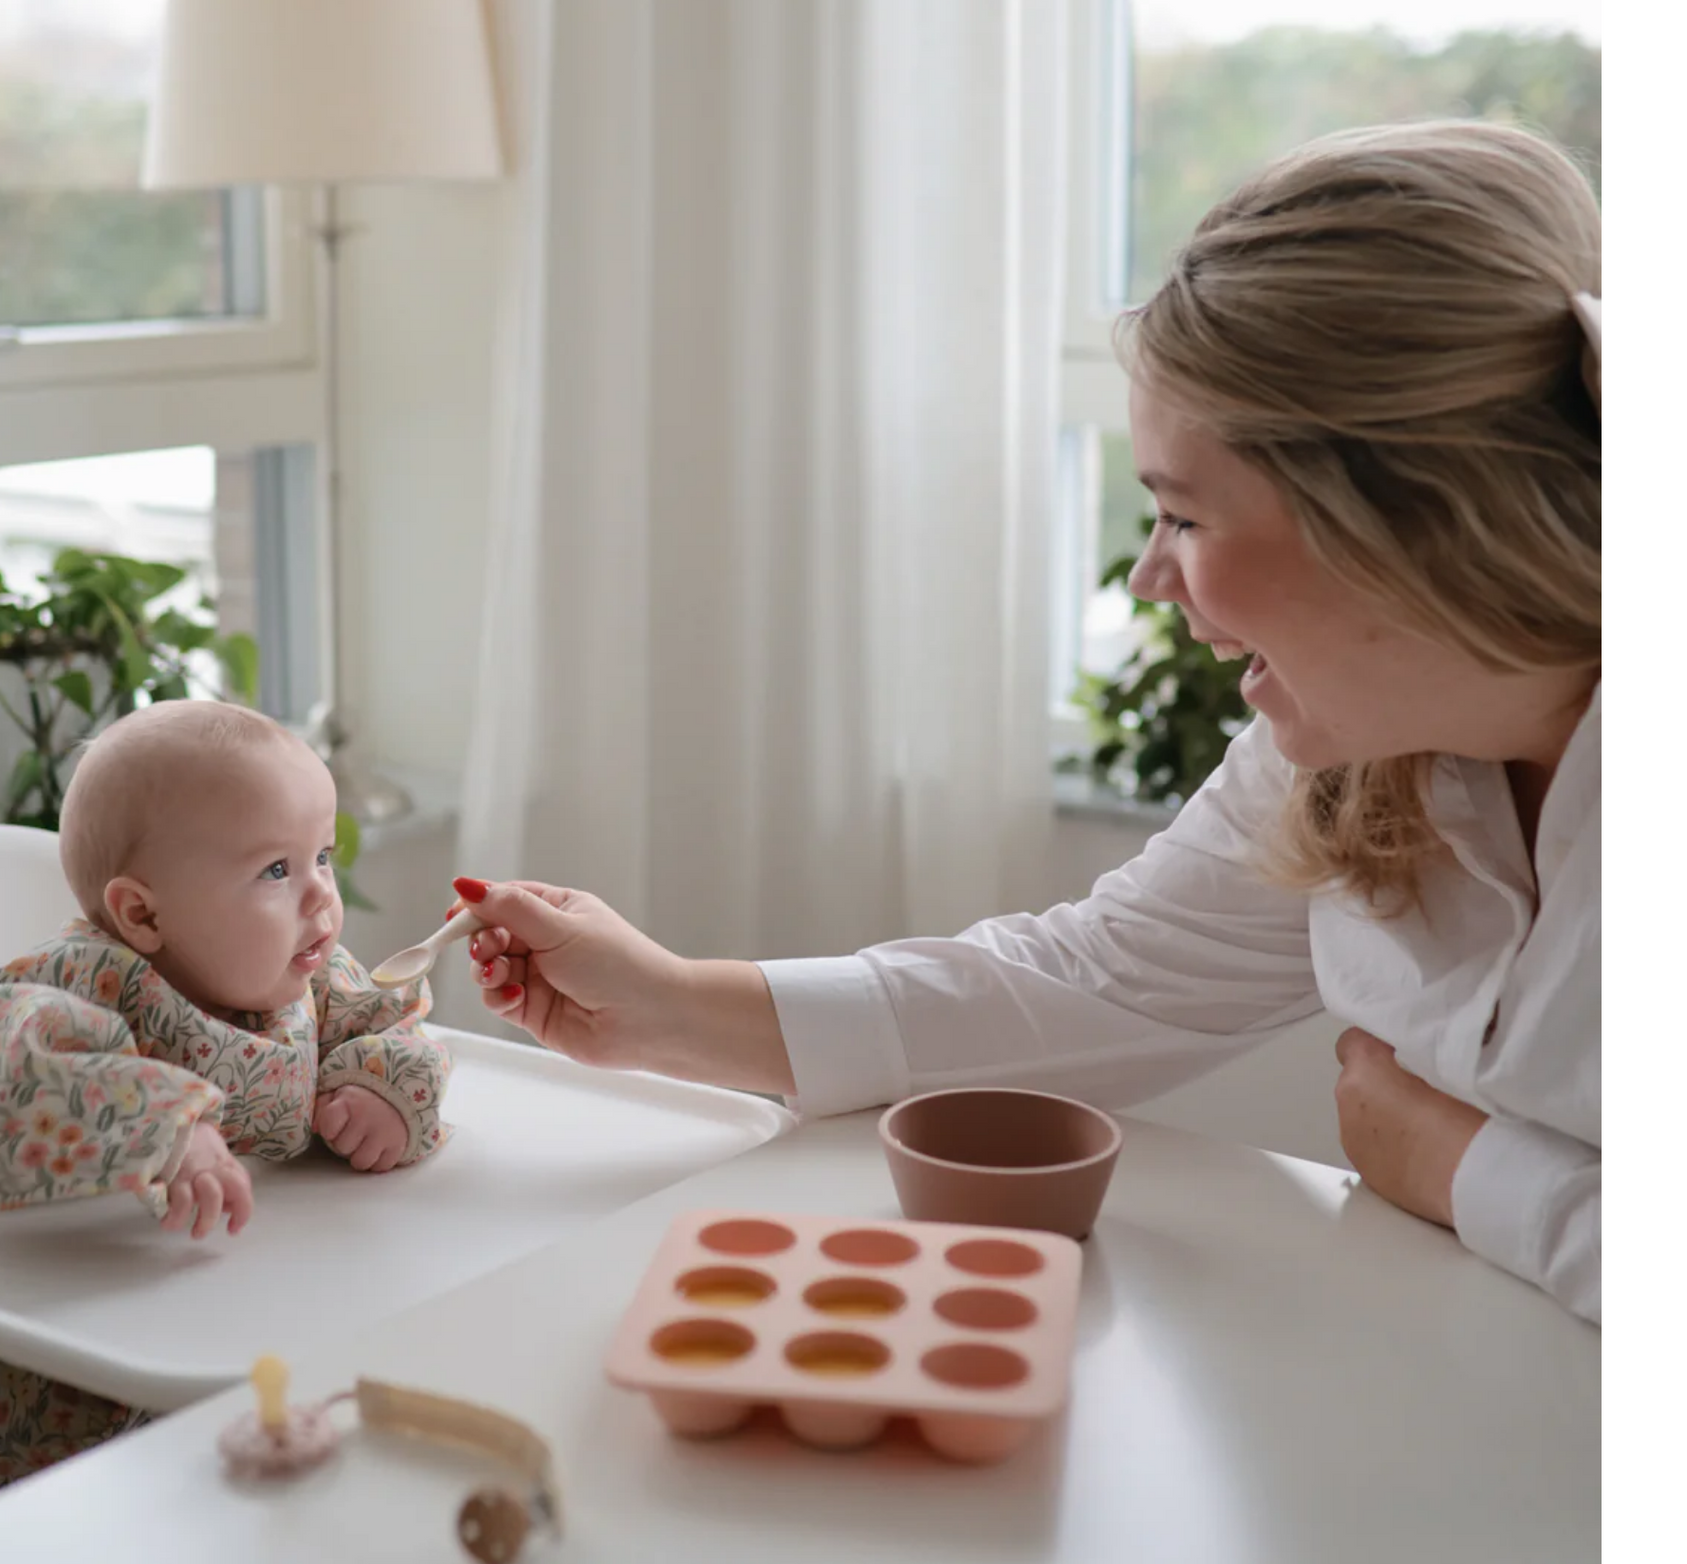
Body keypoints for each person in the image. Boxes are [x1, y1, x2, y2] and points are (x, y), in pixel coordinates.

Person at [449, 120, 1601, 1325]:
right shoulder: (1349, 761)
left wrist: (1469, 1171)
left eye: (1186, 519)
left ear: (1407, 525)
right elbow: (1102, 983)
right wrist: (674, 1003)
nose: (1151, 576)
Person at [0, 699, 452, 1486]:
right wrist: (165, 1126)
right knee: (176, 1479)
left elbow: (392, 1022)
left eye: (322, 855)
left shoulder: (308, 974)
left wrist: (385, 1087)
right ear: (142, 912)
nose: (322, 896)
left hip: (247, 1292)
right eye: (276, 870)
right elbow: (14, 1075)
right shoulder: (86, 982)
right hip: (65, 1351)